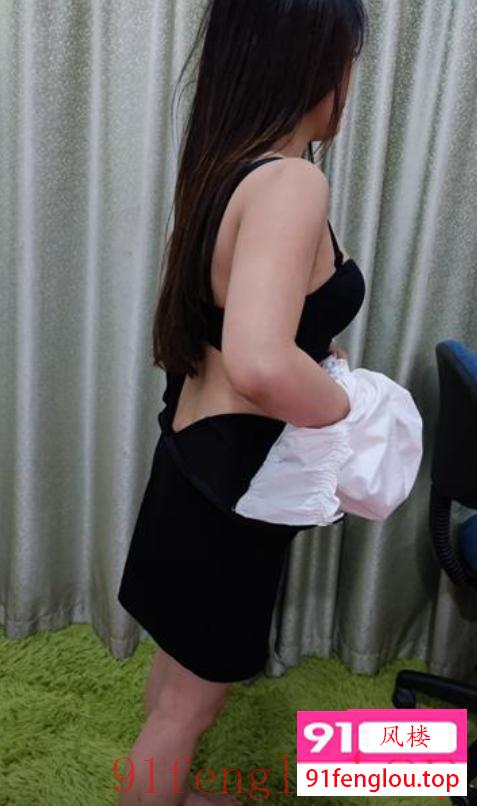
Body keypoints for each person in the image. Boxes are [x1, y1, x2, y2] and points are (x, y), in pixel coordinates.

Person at [117, 1, 369, 804]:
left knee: (177, 677)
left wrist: (314, 356)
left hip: (191, 459)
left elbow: (240, 331)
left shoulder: (224, 166)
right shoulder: (291, 181)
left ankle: (170, 792)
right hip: (232, 486)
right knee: (186, 709)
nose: (350, 81)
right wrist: (347, 412)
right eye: (348, 59)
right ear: (312, 62)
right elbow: (260, 361)